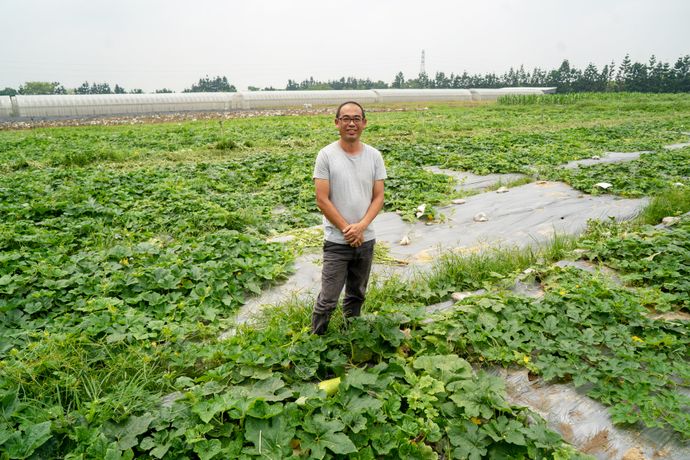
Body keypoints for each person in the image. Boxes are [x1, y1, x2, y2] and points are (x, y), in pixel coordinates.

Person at [311, 101, 387, 335]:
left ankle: (350, 336)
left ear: (364, 123)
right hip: (337, 241)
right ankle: (316, 342)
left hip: (366, 240)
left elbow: (379, 197)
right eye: (345, 118)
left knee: (357, 294)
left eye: (356, 118)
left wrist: (362, 227)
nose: (351, 123)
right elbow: (322, 199)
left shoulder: (374, 156)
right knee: (328, 299)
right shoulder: (326, 155)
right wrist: (348, 230)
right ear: (336, 123)